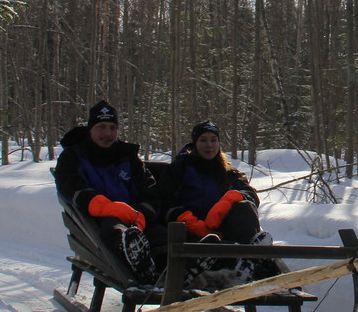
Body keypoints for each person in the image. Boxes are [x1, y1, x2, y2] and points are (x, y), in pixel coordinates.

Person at [53, 100, 165, 284]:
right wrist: (108, 208)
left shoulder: (127, 156)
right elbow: (71, 187)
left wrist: (141, 215)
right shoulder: (74, 156)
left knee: (161, 234)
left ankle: (175, 272)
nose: (108, 133)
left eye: (113, 128)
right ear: (90, 129)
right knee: (115, 231)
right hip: (97, 224)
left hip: (136, 218)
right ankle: (144, 272)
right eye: (101, 127)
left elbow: (149, 190)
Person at [155, 120, 280, 282]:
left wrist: (229, 199)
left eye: (213, 140)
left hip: (222, 229)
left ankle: (251, 259)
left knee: (244, 206)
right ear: (195, 143)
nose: (209, 145)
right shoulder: (180, 168)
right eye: (203, 140)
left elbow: (250, 193)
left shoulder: (229, 172)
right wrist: (189, 221)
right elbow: (164, 198)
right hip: (190, 231)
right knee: (215, 246)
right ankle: (249, 260)